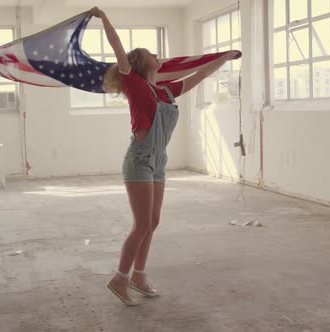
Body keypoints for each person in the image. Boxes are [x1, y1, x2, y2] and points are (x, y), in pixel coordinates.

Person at [91, 6, 239, 306]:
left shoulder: (167, 91)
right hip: (140, 161)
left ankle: (139, 276)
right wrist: (104, 18)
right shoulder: (134, 83)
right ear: (139, 62)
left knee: (153, 221)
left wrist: (224, 58)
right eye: (150, 53)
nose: (157, 55)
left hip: (158, 163)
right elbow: (118, 47)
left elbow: (201, 75)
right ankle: (120, 278)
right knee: (141, 224)